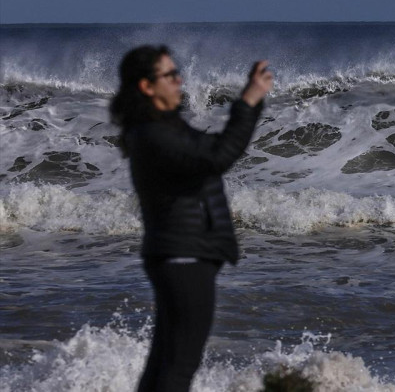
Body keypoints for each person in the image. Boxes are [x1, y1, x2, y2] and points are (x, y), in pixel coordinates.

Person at [110, 45, 273, 392]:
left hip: (182, 255)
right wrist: (246, 103)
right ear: (147, 86)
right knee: (178, 368)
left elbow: (219, 147)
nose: (179, 80)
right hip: (182, 257)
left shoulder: (166, 128)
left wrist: (254, 103)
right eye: (169, 75)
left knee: (165, 367)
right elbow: (216, 158)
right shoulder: (153, 134)